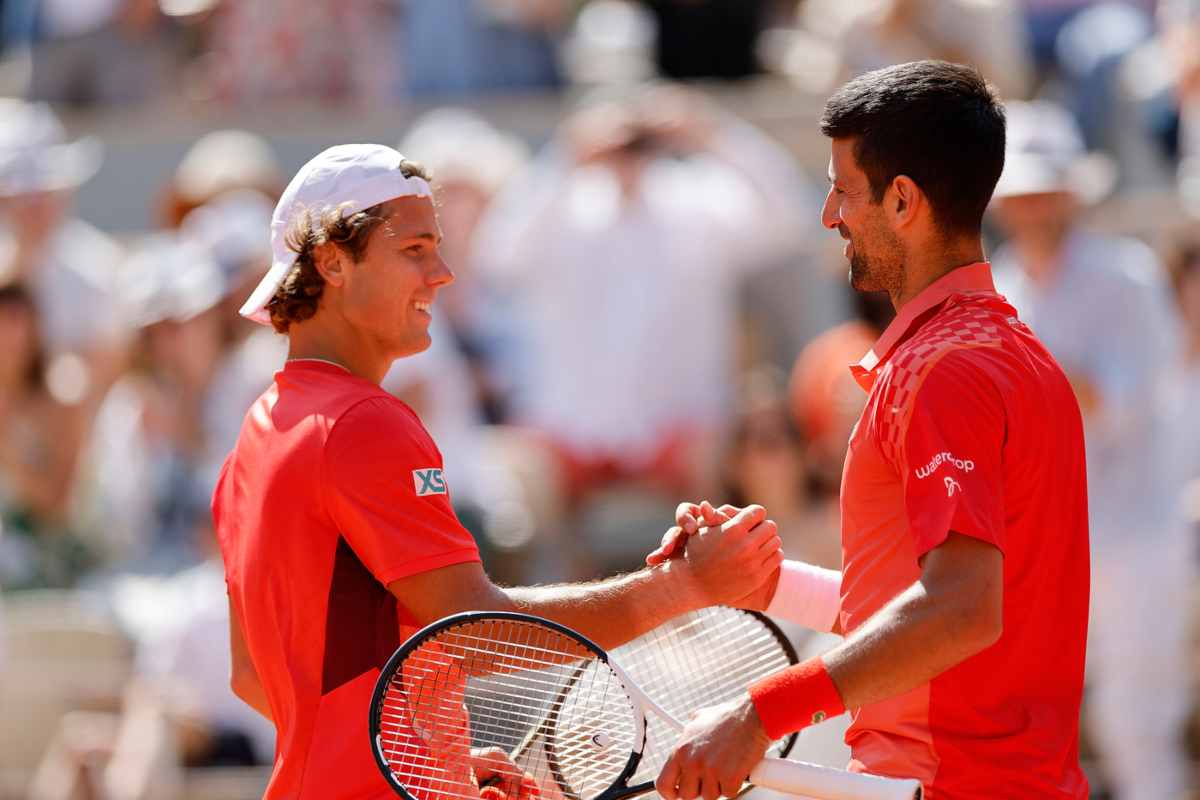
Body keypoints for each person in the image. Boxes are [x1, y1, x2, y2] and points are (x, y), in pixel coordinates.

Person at [212, 143, 784, 800]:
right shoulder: (365, 423)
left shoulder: (256, 435)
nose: (443, 273)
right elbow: (474, 633)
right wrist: (684, 587)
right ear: (333, 264)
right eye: (414, 250)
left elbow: (253, 675)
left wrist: (437, 760)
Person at [648, 60, 1091, 799]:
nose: (830, 214)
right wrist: (760, 582)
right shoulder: (1022, 359)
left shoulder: (944, 370)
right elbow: (916, 611)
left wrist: (758, 715)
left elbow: (958, 610)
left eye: (843, 190)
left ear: (904, 200)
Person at [990, 100, 1189, 800]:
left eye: (1045, 189)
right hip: (1046, 542)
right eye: (1022, 193)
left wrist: (1023, 373)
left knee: (1136, 724)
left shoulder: (1124, 276)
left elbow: (1123, 408)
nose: (1033, 206)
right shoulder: (999, 288)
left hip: (1132, 534)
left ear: (1071, 191)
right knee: (1033, 727)